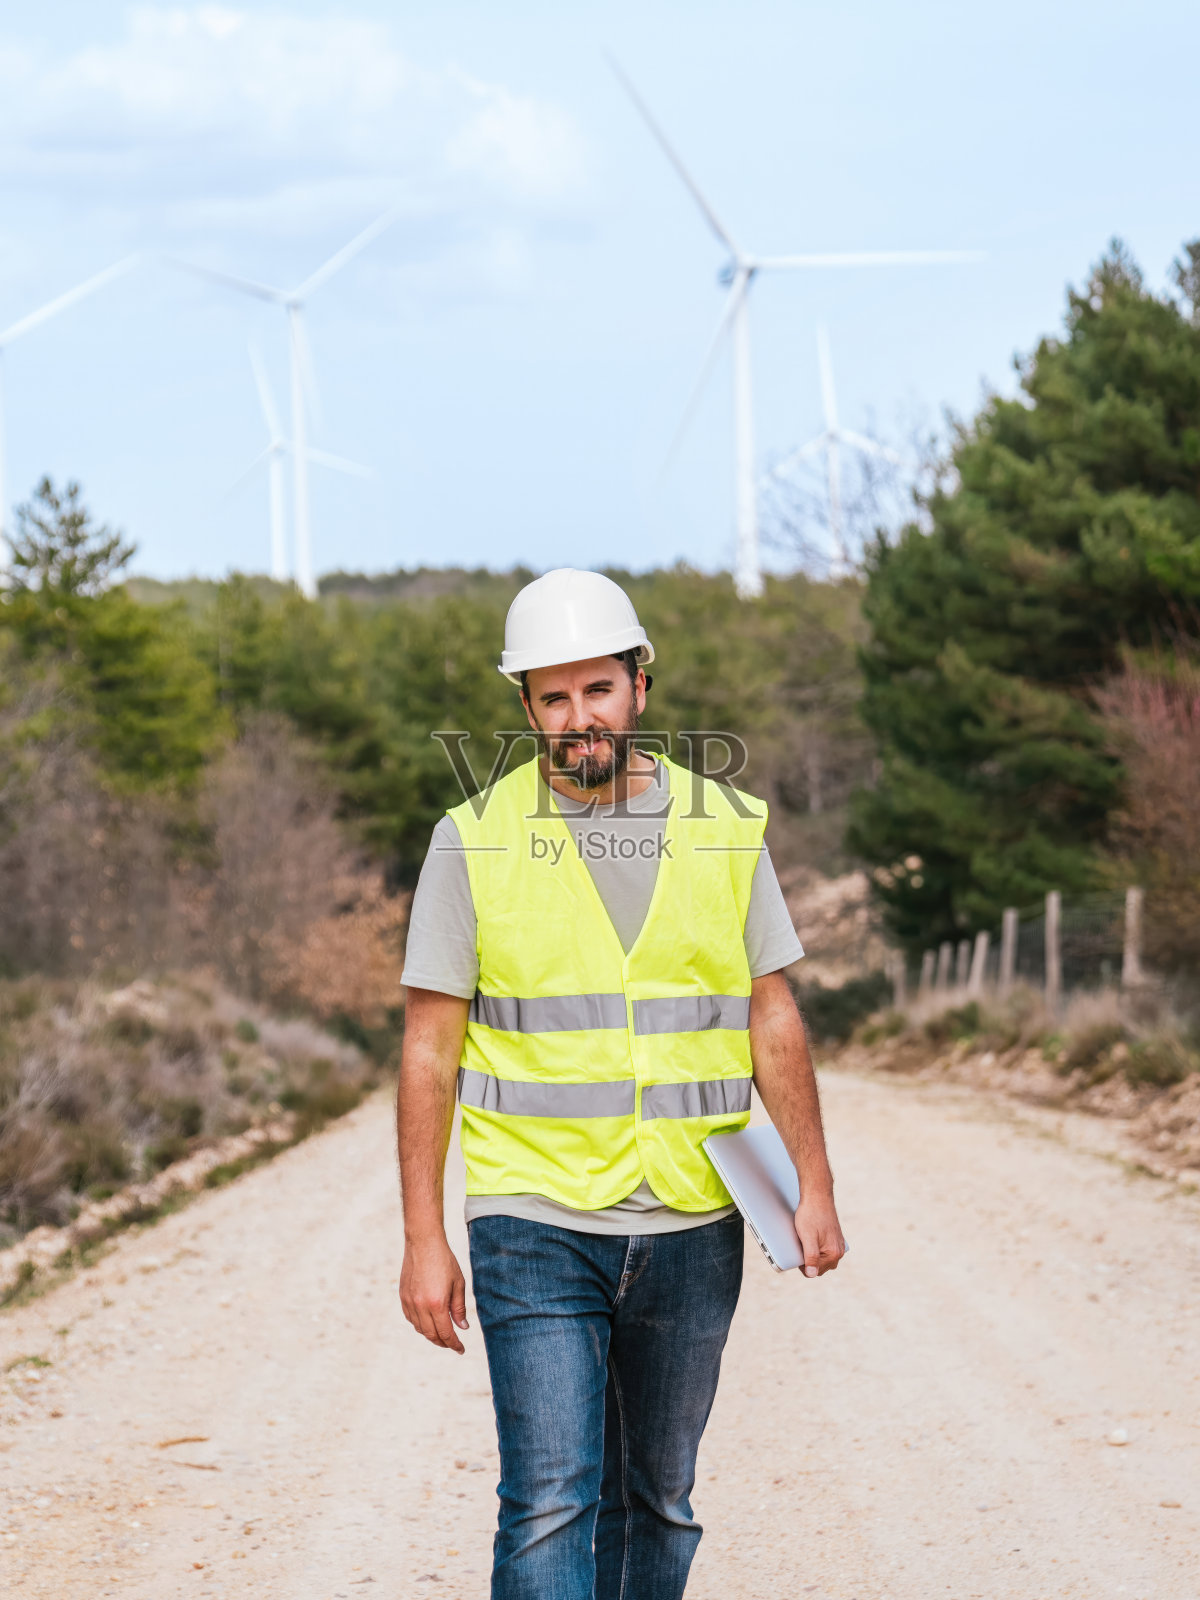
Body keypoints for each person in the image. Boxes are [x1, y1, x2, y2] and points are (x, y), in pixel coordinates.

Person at [397, 568, 846, 1600]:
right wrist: (426, 1234)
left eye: (596, 688)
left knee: (658, 1498)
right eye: (551, 697)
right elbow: (429, 1049)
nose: (576, 717)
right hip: (535, 1213)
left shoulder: (728, 826)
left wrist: (813, 1181)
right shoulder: (471, 841)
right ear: (524, 708)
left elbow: (770, 1011)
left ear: (641, 684)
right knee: (552, 1494)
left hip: (694, 1216)